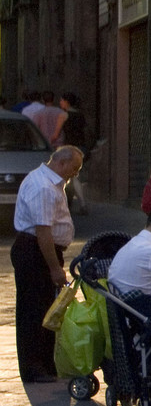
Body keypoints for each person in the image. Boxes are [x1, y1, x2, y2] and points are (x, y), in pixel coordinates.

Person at [11, 146, 83, 381]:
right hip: (35, 251)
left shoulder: (52, 183)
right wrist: (54, 268)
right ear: (61, 163)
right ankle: (34, 367)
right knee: (33, 309)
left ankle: (45, 363)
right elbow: (43, 232)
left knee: (45, 308)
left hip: (41, 249)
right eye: (74, 169)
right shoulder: (42, 186)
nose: (75, 174)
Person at [58, 92, 90, 213]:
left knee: (69, 176)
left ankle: (77, 203)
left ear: (66, 102)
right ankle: (80, 203)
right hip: (81, 147)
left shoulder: (64, 115)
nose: (60, 102)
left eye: (61, 100)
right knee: (75, 176)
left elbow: (57, 133)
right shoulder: (80, 115)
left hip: (69, 147)